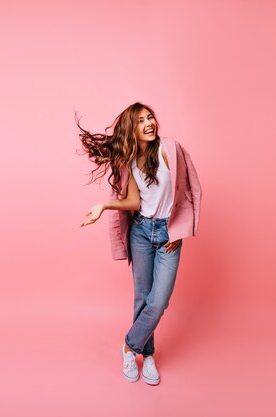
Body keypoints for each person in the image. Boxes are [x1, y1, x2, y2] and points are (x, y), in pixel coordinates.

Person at [76, 102, 202, 385]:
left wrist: (180, 231)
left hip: (168, 234)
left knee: (159, 302)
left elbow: (191, 190)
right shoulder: (130, 162)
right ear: (131, 129)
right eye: (141, 120)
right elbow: (133, 202)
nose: (149, 123)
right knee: (143, 297)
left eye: (150, 117)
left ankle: (128, 347)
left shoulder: (171, 149)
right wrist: (104, 205)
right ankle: (148, 356)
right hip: (142, 232)